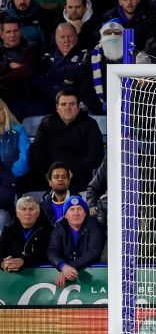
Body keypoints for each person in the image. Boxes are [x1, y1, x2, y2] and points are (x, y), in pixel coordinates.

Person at [30, 89, 104, 192]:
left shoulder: (90, 124)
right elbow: (37, 153)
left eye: (72, 104)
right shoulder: (47, 123)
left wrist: (71, 171)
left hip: (80, 175)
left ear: (78, 107)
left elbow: (95, 155)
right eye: (63, 104)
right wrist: (51, 172)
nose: (68, 108)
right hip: (50, 176)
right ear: (57, 108)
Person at [46, 194, 105, 288]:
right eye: (72, 209)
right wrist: (63, 266)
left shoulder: (94, 225)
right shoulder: (59, 227)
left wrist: (69, 267)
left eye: (79, 209)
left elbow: (94, 251)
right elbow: (52, 250)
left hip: (92, 274)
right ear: (65, 215)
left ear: (85, 213)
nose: (76, 213)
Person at [0, 98, 30, 232]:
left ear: (5, 110)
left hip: (13, 179)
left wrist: (11, 174)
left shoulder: (18, 130)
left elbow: (24, 157)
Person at [0, 195, 50, 270]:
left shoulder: (48, 230)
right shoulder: (8, 230)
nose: (27, 213)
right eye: (23, 209)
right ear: (17, 213)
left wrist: (23, 261)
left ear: (38, 213)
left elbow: (44, 254)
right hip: (14, 272)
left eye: (31, 209)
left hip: (40, 271)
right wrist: (4, 264)